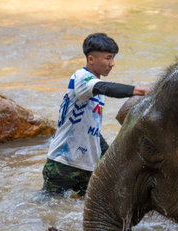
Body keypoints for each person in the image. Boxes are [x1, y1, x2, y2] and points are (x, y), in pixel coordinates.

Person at [42, 32, 148, 196]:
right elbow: (106, 87)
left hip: (87, 167)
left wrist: (110, 156)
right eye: (108, 58)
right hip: (62, 164)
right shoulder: (81, 78)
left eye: (113, 58)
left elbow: (92, 129)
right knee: (49, 209)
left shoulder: (96, 89)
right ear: (91, 59)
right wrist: (136, 91)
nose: (112, 64)